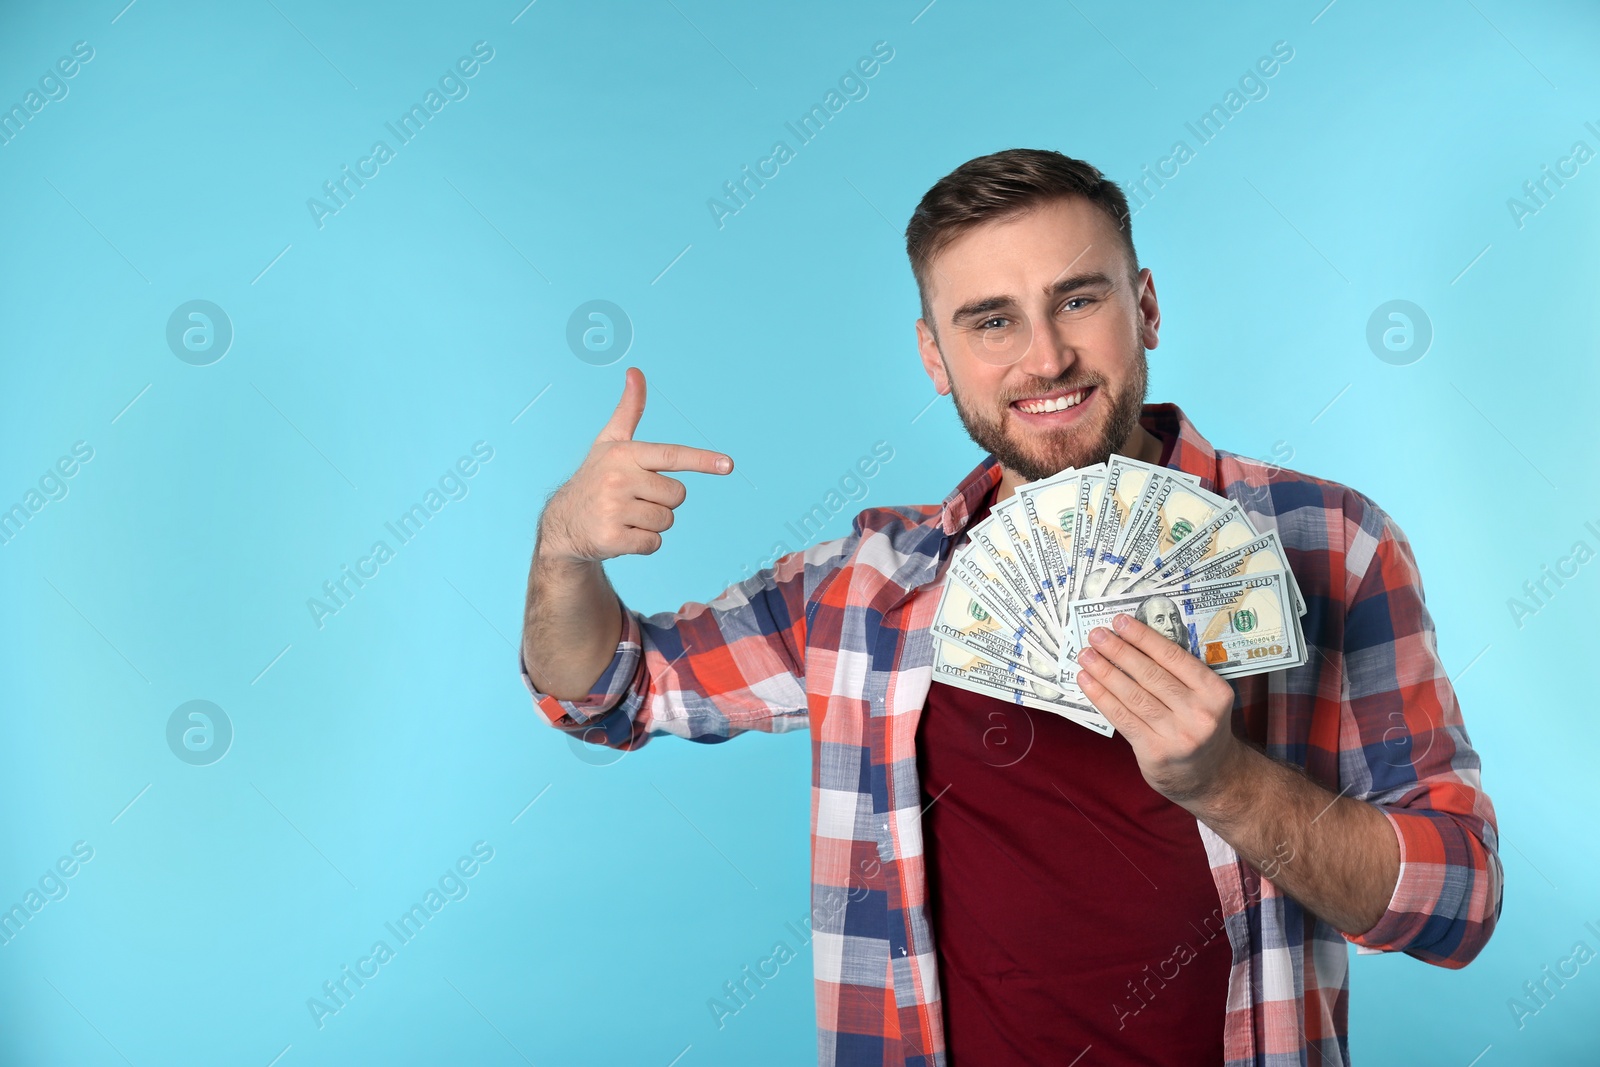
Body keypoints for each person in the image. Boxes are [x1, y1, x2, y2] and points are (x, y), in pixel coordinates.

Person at [519, 148, 1502, 1066]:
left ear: (1145, 305)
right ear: (934, 356)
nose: (1044, 357)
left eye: (1076, 299)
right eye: (991, 321)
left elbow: (1457, 898)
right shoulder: (864, 586)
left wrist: (1226, 781)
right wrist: (562, 551)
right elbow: (612, 688)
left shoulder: (1328, 543)